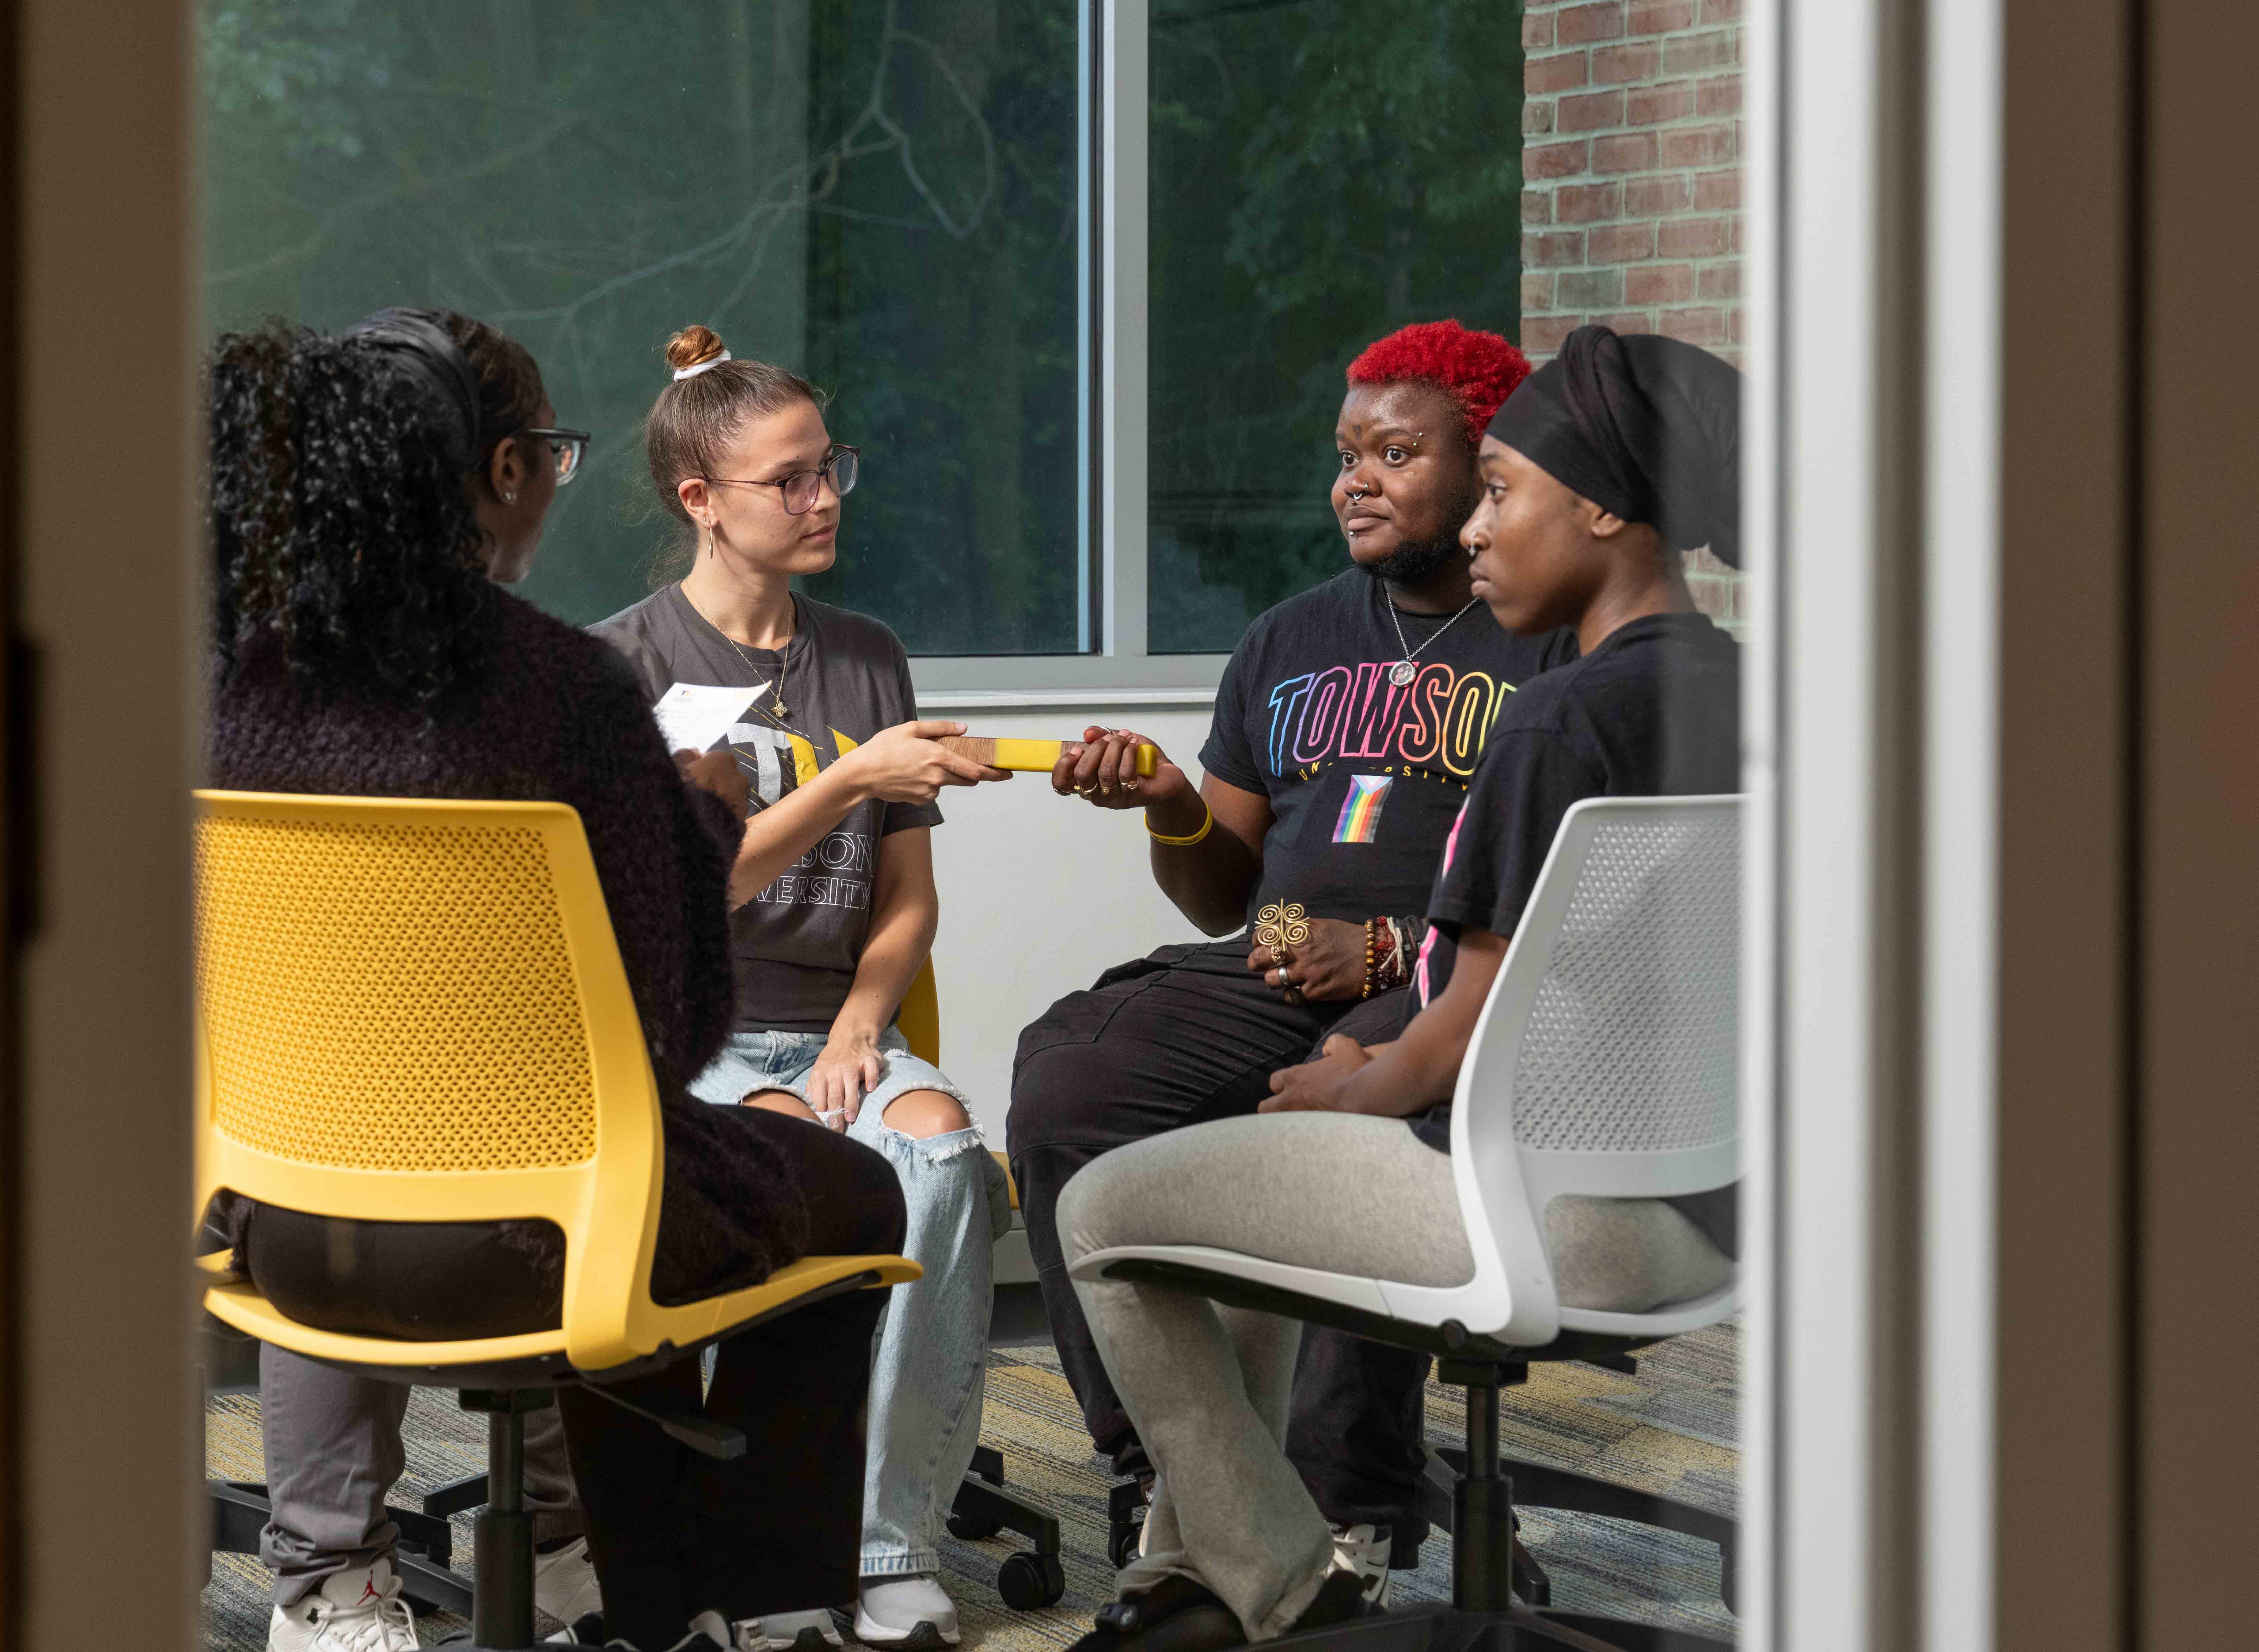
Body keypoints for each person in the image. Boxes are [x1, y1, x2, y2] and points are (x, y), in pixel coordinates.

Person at [206, 307, 908, 1652]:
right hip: (527, 1248)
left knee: (641, 1172)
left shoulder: (230, 681)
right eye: (554, 454)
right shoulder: (562, 692)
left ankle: (340, 1594)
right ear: (509, 472)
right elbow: (676, 1029)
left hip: (283, 1236)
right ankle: (730, 1613)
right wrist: (698, 818)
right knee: (845, 1192)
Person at [1053, 324, 1746, 1651]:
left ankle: (1284, 1583)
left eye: (1504, 492)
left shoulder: (1553, 720)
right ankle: (1200, 1560)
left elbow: (1471, 1022)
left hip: (1535, 1209)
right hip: (1699, 1212)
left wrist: (1356, 1086)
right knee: (1240, 1162)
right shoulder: (1742, 691)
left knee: (1105, 1208)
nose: (1482, 533)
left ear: (1600, 508)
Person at [1003, 320, 1564, 1594]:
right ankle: (1174, 1469)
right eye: (1346, 453)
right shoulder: (1288, 637)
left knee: (1351, 1096)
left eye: (1397, 452)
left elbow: (1563, 904)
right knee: (1069, 1083)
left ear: (1489, 466)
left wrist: (1382, 947)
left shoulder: (1548, 639)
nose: (1354, 480)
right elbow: (1221, 896)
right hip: (1274, 957)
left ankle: (1347, 1503)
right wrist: (1163, 803)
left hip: (1443, 984)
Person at [592, 324, 1015, 1652]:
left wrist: (856, 1032)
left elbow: (907, 901)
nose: (824, 497)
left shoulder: (865, 652)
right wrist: (843, 777)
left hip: (830, 1030)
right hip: (683, 1045)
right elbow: (670, 898)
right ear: (698, 499)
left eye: (832, 468)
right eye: (791, 479)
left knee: (942, 1160)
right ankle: (763, 1536)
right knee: (801, 1171)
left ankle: (887, 1542)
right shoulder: (625, 666)